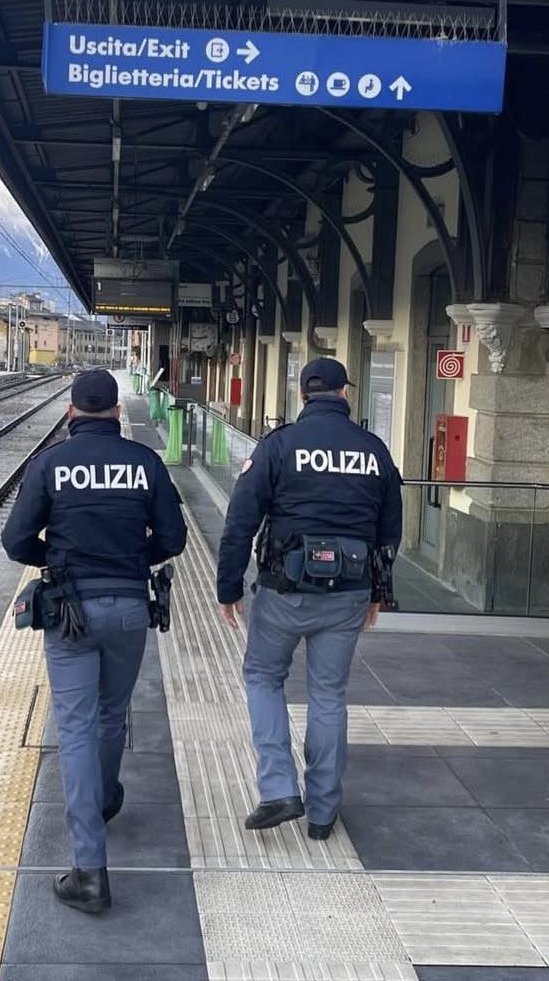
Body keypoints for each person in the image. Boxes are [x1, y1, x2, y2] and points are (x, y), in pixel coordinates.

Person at [1, 368, 187, 914]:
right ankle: (103, 798)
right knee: (112, 714)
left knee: (76, 726)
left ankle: (89, 870)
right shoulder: (145, 464)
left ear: (71, 411)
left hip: (71, 612)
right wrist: (129, 561)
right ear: (117, 413)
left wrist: (59, 561)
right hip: (130, 606)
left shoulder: (50, 464)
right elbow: (172, 539)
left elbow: (16, 541)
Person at [215, 356, 402, 840]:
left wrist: (228, 588)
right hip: (348, 594)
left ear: (301, 396)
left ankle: (278, 789)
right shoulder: (374, 450)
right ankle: (322, 812)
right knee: (328, 695)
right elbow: (389, 532)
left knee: (262, 677)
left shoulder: (278, 446)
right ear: (345, 395)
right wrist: (379, 593)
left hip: (283, 591)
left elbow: (240, 522)